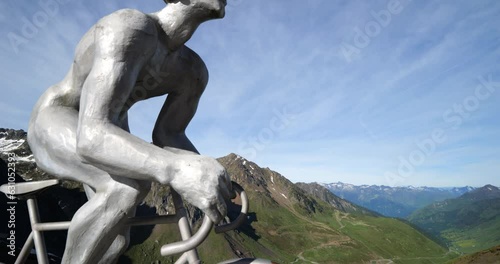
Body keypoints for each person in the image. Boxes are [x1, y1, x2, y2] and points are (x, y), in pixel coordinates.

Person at [27, 0, 232, 263]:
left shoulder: (193, 71)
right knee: (124, 187)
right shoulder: (131, 29)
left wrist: (210, 176)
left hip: (109, 125)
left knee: (117, 241)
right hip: (59, 117)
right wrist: (177, 169)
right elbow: (90, 135)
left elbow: (170, 136)